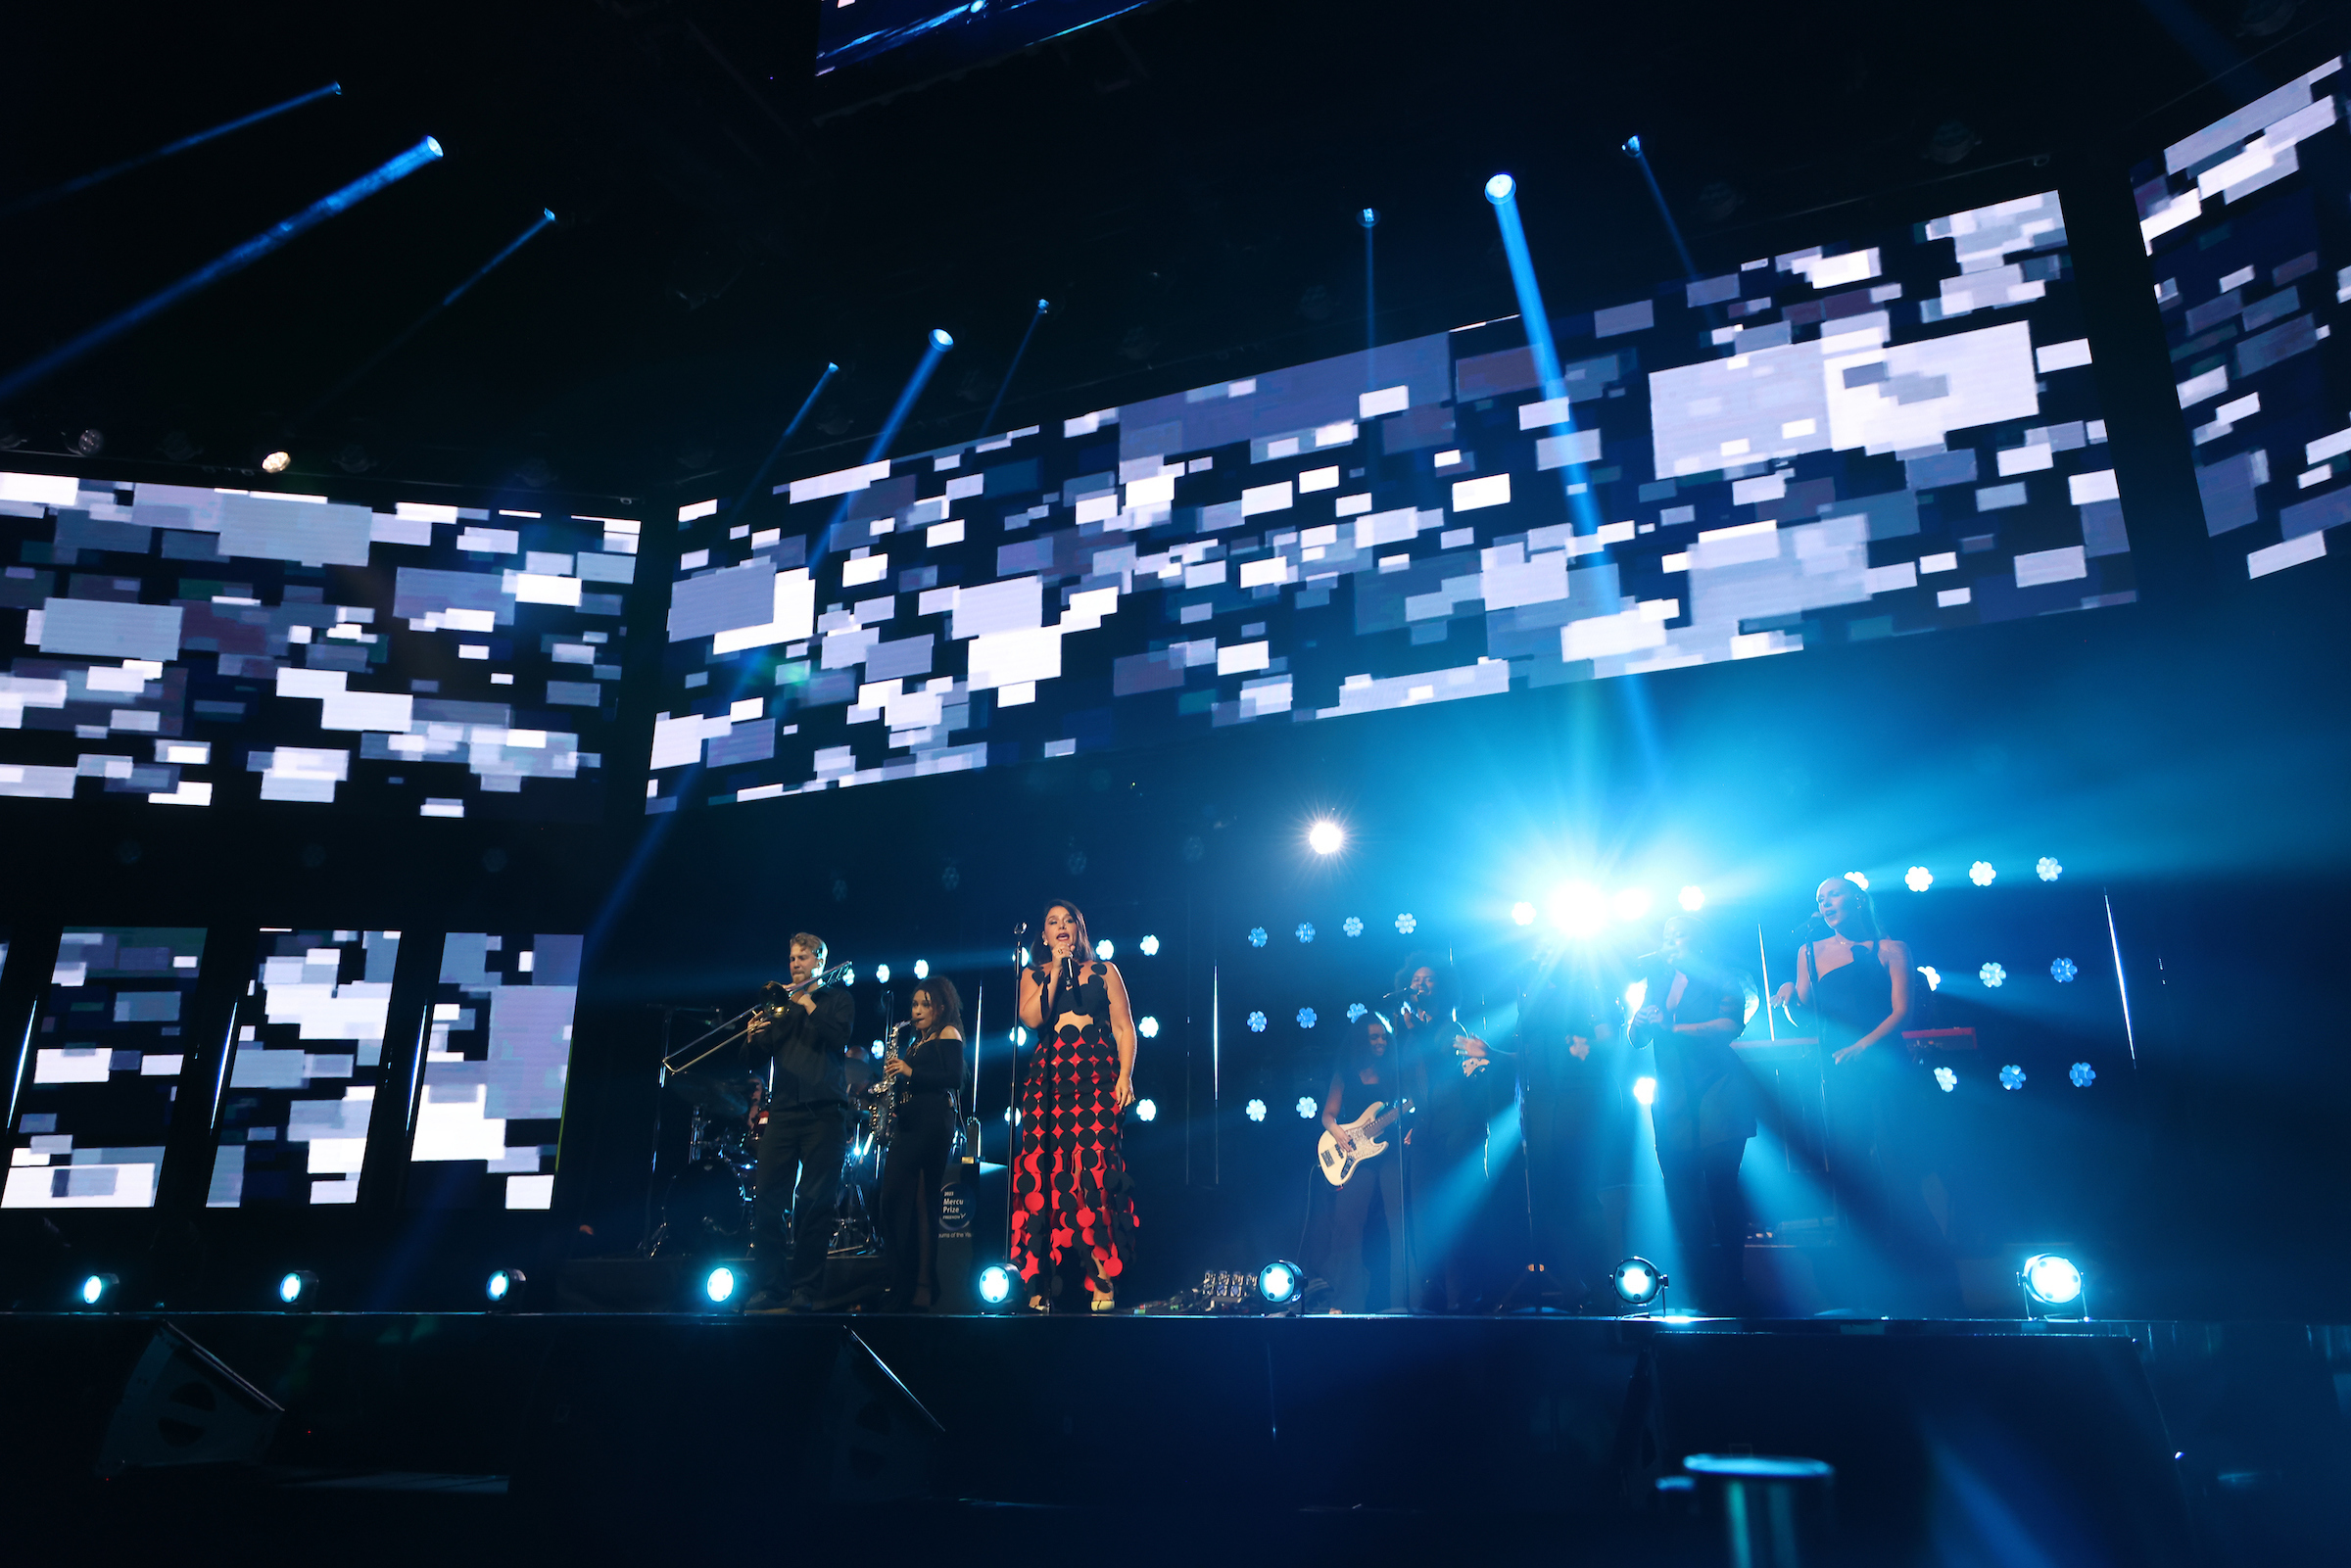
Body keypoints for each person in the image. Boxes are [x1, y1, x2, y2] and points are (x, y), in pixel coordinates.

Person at [1774, 876, 1953, 1311]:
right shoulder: (1808, 952)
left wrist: (1864, 1047)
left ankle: (1930, 1278)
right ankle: (1871, 1275)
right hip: (1839, 1072)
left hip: (1885, 1068)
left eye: (1833, 894)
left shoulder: (1892, 949)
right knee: (1854, 1170)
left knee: (1899, 1167)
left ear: (1856, 900)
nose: (1825, 902)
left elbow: (1902, 1012)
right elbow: (1807, 1018)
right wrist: (1788, 997)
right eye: (1820, 898)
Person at [1014, 899, 1140, 1311]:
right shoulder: (1033, 974)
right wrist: (1054, 971)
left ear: (1080, 930)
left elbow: (1124, 1027)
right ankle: (1038, 1283)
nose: (1061, 926)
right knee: (1042, 1178)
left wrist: (1125, 1076)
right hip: (1049, 1085)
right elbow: (1032, 1019)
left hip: (1096, 1083)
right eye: (1053, 922)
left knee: (1095, 1177)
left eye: (1069, 920)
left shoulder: (1104, 971)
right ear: (1045, 934)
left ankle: (1101, 1279)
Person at [1630, 913, 1753, 1314]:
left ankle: (1733, 1283)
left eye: (1679, 935)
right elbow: (1637, 1039)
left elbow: (1730, 1025)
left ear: (1699, 941)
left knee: (1721, 1189)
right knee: (1681, 1195)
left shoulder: (1722, 978)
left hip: (1718, 1091)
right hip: (1672, 1098)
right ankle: (1697, 1286)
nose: (1670, 942)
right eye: (1667, 935)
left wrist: (1674, 1029)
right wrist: (1639, 1022)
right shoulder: (1658, 980)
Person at [745, 931, 855, 1311]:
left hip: (824, 1113)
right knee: (768, 1201)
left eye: (803, 958)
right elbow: (754, 1058)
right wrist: (751, 1038)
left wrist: (807, 1001)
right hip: (783, 1113)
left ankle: (805, 1288)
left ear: (820, 961)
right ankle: (771, 1286)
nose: (795, 964)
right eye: (792, 958)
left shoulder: (838, 999)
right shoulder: (780, 1007)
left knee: (813, 1202)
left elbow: (837, 1036)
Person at [1388, 951, 1497, 1311]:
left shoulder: (1450, 1028)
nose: (1420, 985)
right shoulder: (1408, 1032)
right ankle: (1431, 1291)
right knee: (1422, 1215)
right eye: (1415, 980)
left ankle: (1462, 1297)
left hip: (1458, 1128)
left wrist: (1417, 1030)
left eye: (1428, 979)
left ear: (1443, 987)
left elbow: (1443, 1054)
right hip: (1427, 1129)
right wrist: (1416, 1122)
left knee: (1454, 1212)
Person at [1517, 963, 1629, 1309]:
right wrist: (1493, 1055)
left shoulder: (1587, 991)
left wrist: (1587, 1047)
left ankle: (1602, 1285)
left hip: (1583, 1105)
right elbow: (1530, 1057)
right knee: (1551, 1201)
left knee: (1581, 1197)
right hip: (1544, 1111)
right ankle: (1573, 1284)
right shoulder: (1533, 1003)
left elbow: (1612, 1043)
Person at [877, 976, 966, 1311]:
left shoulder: (948, 1034)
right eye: (914, 1004)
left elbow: (953, 1079)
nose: (916, 1011)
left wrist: (909, 1072)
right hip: (909, 1124)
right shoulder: (916, 1042)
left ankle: (922, 1286)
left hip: (932, 1124)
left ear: (940, 1007)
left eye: (924, 1005)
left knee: (920, 1203)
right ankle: (904, 1282)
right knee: (894, 1203)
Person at [1319, 1014, 1415, 1312]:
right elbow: (1328, 1115)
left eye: (1384, 1037)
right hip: (1354, 1156)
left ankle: (1406, 1302)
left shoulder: (1394, 1073)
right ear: (1362, 1040)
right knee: (1347, 1224)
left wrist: (1412, 1124)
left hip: (1390, 1152)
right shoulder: (1346, 1074)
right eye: (1374, 1037)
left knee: (1399, 1223)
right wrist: (1338, 1133)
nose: (1381, 1042)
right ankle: (1346, 1302)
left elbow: (1411, 1104)